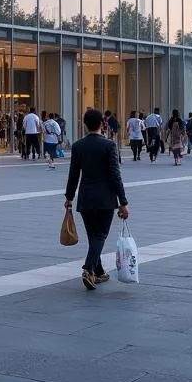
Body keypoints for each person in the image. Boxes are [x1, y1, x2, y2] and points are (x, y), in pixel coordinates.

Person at [64, 108, 130, 290]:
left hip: (85, 198)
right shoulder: (108, 145)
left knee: (93, 236)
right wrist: (123, 202)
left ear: (85, 125)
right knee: (100, 235)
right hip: (105, 198)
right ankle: (88, 269)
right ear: (103, 123)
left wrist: (69, 197)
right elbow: (115, 175)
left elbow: (73, 175)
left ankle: (99, 272)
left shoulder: (78, 146)